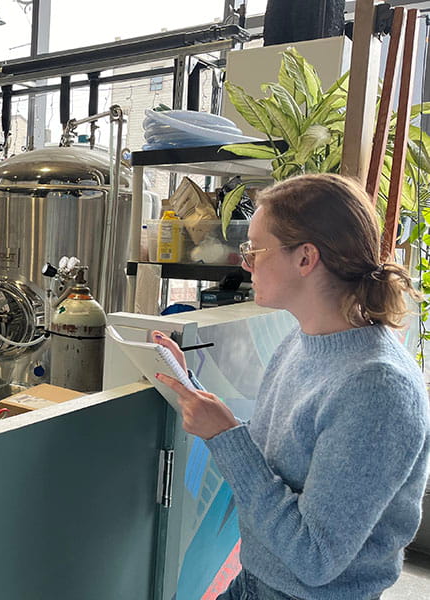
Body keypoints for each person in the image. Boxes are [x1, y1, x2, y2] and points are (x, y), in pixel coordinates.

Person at [155, 173, 429, 600]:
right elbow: (281, 464)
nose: (245, 263)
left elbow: (315, 557)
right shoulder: (302, 341)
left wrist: (226, 437)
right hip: (255, 583)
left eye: (256, 249)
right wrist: (203, 402)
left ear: (306, 259)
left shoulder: (377, 388)